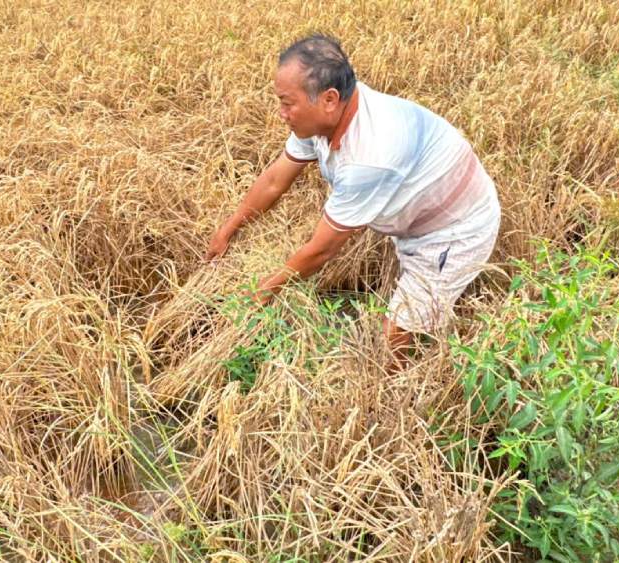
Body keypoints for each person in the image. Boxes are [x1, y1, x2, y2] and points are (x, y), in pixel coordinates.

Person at [204, 34, 501, 365]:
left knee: (395, 338)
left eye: (288, 103)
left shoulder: (369, 154)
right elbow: (276, 180)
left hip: (453, 230)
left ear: (329, 99)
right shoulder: (323, 120)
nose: (281, 113)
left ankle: (395, 397)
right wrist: (228, 230)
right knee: (411, 312)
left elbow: (322, 250)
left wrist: (263, 292)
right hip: (421, 210)